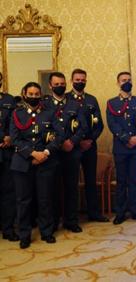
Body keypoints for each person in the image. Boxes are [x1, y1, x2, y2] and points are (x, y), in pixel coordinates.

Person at [10, 82, 64, 249]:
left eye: (36, 94)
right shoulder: (17, 114)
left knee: (45, 199)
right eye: (30, 94)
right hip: (22, 163)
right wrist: (33, 154)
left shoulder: (50, 113)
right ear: (24, 94)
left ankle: (47, 232)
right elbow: (15, 139)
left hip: (46, 162)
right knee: (23, 201)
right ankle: (24, 234)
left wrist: (45, 153)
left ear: (41, 95)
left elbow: (60, 135)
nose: (33, 97)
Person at [43, 72, 88, 233]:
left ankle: (71, 220)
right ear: (50, 85)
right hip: (53, 153)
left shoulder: (74, 104)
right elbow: (43, 128)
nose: (60, 86)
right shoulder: (44, 103)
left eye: (62, 83)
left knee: (71, 188)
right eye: (56, 84)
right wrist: (60, 143)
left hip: (72, 152)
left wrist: (73, 142)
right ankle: (53, 222)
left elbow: (83, 127)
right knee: (52, 189)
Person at [106, 72, 136, 224]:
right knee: (121, 181)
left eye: (129, 80)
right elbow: (112, 124)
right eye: (124, 80)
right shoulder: (112, 103)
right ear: (118, 83)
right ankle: (120, 213)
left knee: (134, 180)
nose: (127, 82)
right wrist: (126, 138)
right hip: (121, 147)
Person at [67, 69, 108, 222]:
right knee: (71, 182)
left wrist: (90, 140)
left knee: (90, 180)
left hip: (90, 146)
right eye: (77, 79)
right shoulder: (66, 99)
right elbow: (63, 125)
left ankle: (94, 213)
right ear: (72, 80)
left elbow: (99, 124)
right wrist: (77, 141)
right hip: (72, 147)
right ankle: (71, 217)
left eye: (83, 80)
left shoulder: (91, 99)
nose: (80, 82)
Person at [0, 72, 18, 242]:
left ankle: (8, 228)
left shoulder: (9, 100)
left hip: (6, 153)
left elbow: (15, 122)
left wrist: (9, 136)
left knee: (8, 193)